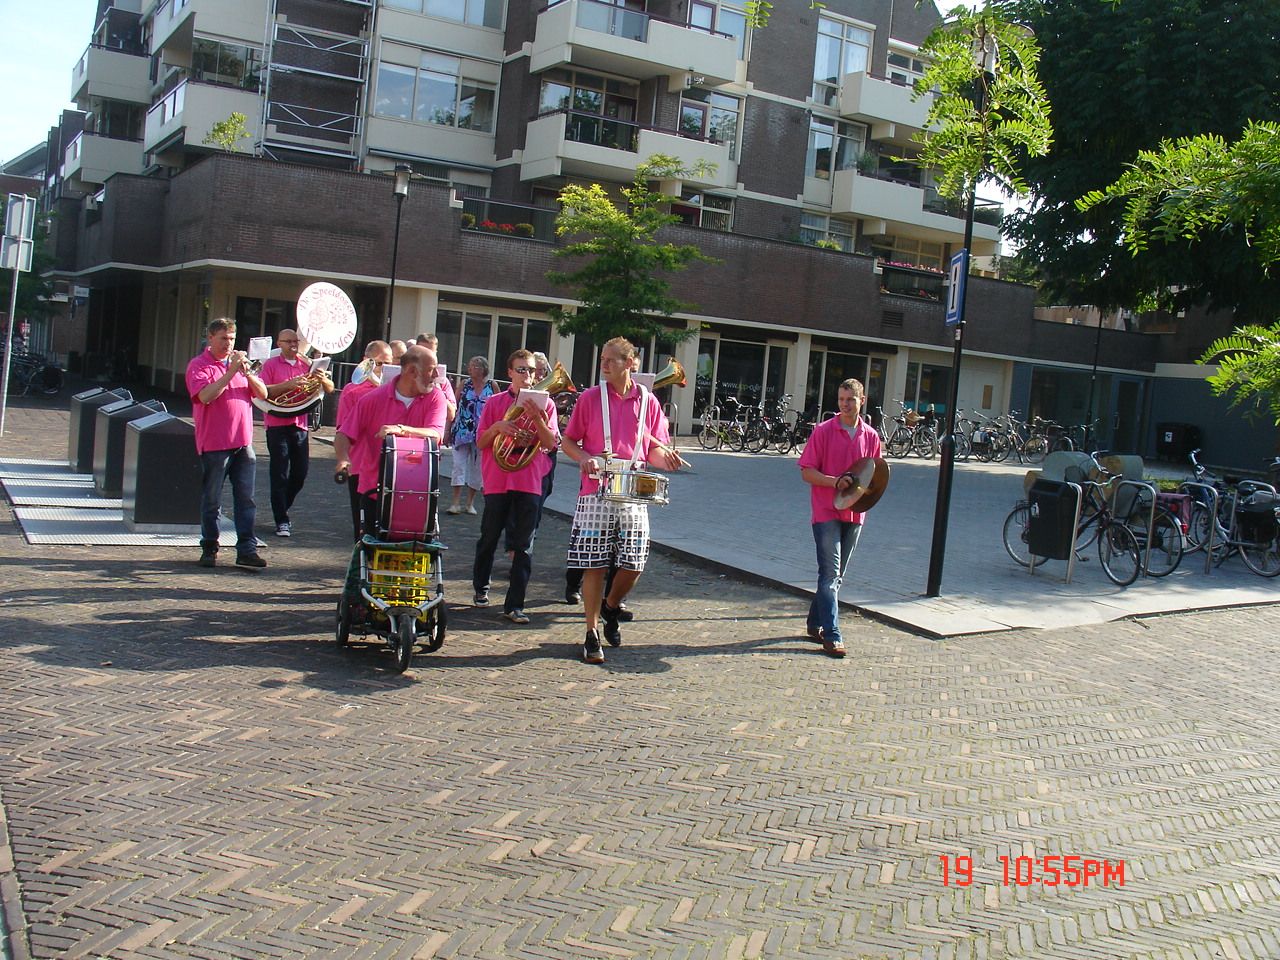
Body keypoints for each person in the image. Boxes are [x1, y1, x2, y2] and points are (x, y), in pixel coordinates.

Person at [561, 337, 682, 664]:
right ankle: (591, 633)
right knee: (594, 563)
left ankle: (611, 606)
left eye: (611, 359)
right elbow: (568, 441)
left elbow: (653, 449)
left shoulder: (648, 401)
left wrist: (666, 460)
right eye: (603, 358)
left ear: (630, 363)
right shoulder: (590, 398)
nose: (604, 364)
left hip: (633, 490)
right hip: (595, 488)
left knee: (635, 562)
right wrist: (584, 458)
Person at [471, 350, 560, 623]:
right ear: (510, 372)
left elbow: (550, 444)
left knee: (524, 545)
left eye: (531, 370)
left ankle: (515, 605)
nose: (527, 375)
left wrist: (537, 419)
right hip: (498, 479)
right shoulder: (495, 402)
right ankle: (481, 587)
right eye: (521, 370)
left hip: (529, 480)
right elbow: (481, 442)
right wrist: (498, 427)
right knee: (489, 536)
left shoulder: (547, 404)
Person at [797, 378, 881, 659]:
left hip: (855, 513)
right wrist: (835, 482)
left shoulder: (871, 436)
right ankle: (832, 635)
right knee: (831, 574)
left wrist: (867, 494)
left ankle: (814, 623)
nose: (845, 405)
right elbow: (806, 471)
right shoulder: (823, 431)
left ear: (862, 401)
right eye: (841, 399)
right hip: (826, 511)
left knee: (834, 576)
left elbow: (876, 475)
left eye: (850, 400)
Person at [332, 346, 447, 536]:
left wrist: (401, 429)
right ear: (412, 371)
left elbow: (435, 434)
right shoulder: (373, 399)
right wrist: (343, 458)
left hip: (418, 491)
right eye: (431, 369)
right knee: (368, 547)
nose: (436, 375)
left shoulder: (435, 397)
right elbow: (344, 434)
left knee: (414, 548)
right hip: (374, 489)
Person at [186, 318, 269, 570]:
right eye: (223, 338)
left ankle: (247, 550)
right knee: (212, 499)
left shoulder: (241, 366)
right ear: (210, 338)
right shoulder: (199, 365)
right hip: (215, 443)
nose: (228, 344)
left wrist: (248, 373)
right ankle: (210, 546)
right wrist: (230, 372)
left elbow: (263, 394)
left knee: (246, 499)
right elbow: (205, 396)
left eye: (232, 339)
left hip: (243, 442)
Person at [259, 328, 333, 537]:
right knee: (280, 473)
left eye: (295, 341)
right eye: (288, 341)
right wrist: (288, 385)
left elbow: (329, 388)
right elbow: (263, 391)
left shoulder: (307, 364)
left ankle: (282, 506)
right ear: (279, 344)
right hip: (276, 424)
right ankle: (281, 519)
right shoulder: (270, 364)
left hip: (300, 424)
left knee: (300, 473)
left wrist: (322, 379)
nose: (293, 345)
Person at [335, 339, 392, 540]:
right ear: (366, 362)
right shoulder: (353, 391)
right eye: (379, 363)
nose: (383, 369)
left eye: (388, 364)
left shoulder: (397, 392)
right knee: (363, 527)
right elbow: (343, 429)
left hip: (392, 465)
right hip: (360, 465)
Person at [448, 356, 493, 515]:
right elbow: (453, 405)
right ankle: (455, 502)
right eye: (470, 366)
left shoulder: (491, 385)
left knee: (477, 469)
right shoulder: (464, 384)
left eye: (475, 366)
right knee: (458, 466)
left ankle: (470, 503)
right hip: (462, 431)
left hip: (482, 433)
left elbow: (498, 407)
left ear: (483, 369)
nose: (471, 369)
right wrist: (448, 429)